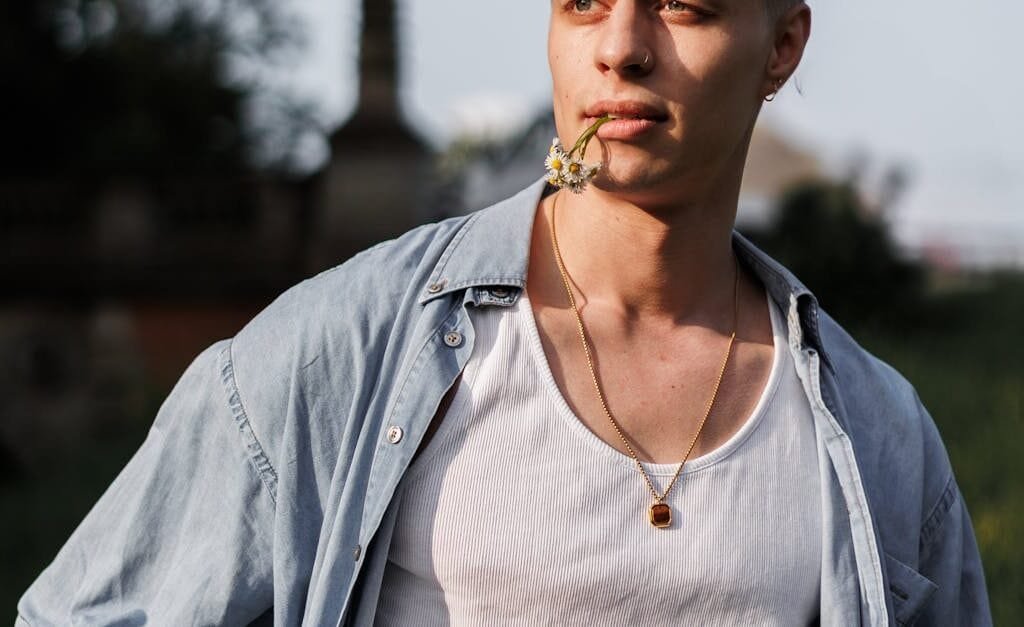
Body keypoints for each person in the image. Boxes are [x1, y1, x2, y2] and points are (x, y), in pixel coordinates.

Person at [19, 1, 991, 625]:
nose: (620, 49)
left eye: (683, 7)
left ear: (781, 43)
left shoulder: (875, 434)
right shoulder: (342, 350)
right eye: (582, 6)